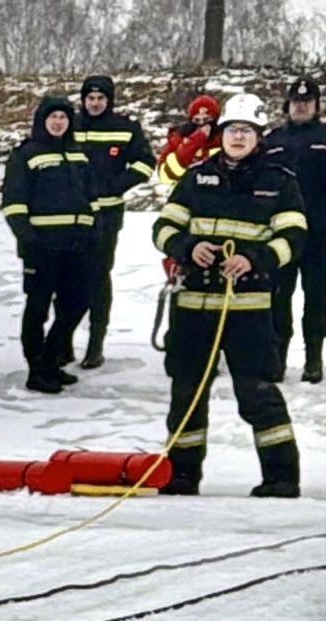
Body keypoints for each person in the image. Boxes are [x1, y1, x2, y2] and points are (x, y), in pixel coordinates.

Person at [153, 94, 304, 498]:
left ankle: (281, 478)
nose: (238, 138)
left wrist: (256, 259)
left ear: (258, 136)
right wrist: (187, 248)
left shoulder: (278, 181)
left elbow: (294, 237)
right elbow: (164, 228)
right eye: (232, 131)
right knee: (186, 392)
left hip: (249, 308)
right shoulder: (195, 176)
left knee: (258, 394)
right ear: (221, 135)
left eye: (246, 131)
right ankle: (181, 475)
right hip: (194, 307)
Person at [3, 96, 97, 394]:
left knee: (78, 301)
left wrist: (92, 231)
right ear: (42, 120)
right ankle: (37, 369)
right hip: (42, 246)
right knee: (38, 307)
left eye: (64, 117)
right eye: (53, 117)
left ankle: (51, 359)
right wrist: (27, 240)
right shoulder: (26, 154)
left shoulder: (78, 153)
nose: (59, 122)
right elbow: (13, 203)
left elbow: (89, 196)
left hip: (77, 245)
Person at [73, 75, 154, 369]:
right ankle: (62, 343)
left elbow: (146, 163)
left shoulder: (124, 128)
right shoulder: (70, 124)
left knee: (98, 278)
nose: (95, 104)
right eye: (90, 98)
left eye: (100, 99)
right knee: (67, 280)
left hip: (106, 216)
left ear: (109, 101)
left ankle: (95, 344)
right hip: (71, 217)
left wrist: (115, 185)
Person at [259, 77, 326, 382]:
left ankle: (313, 359)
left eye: (307, 102)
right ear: (288, 105)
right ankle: (277, 358)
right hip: (280, 235)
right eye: (296, 101)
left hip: (319, 235)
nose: (301, 106)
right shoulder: (271, 141)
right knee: (277, 297)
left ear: (316, 106)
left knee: (317, 299)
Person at [158, 94, 222, 189]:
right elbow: (165, 176)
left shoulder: (224, 137)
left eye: (207, 120)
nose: (202, 124)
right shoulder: (179, 137)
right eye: (197, 120)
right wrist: (193, 142)